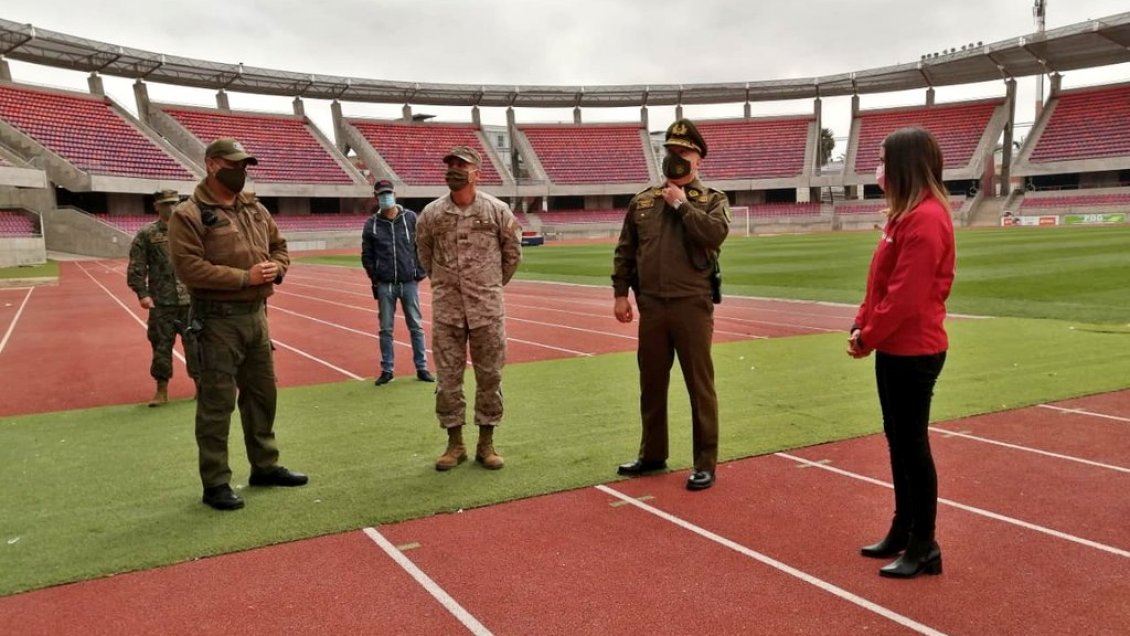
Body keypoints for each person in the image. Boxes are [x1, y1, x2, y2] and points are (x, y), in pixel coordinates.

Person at [167, 138, 307, 511]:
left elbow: (280, 246)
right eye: (235, 164)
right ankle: (215, 482)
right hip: (216, 321)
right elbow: (190, 268)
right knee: (216, 403)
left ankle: (265, 465)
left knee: (263, 396)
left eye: (246, 165)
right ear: (213, 165)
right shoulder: (190, 213)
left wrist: (277, 268)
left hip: (257, 317)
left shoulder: (254, 209)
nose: (242, 171)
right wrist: (244, 277)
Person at [848, 126, 955, 578]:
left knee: (912, 446)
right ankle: (903, 528)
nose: (878, 167)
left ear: (904, 164)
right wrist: (861, 321)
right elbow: (880, 285)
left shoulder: (926, 219)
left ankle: (924, 544)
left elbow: (906, 297)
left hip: (913, 350)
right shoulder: (902, 217)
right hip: (894, 347)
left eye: (883, 158)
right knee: (898, 442)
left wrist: (867, 335)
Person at [612, 119, 731, 491]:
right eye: (670, 151)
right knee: (651, 384)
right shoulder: (643, 201)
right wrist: (620, 293)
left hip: (692, 304)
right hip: (652, 306)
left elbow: (714, 235)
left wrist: (681, 206)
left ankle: (705, 462)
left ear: (698, 159)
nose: (675, 158)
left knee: (700, 386)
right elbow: (626, 251)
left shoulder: (711, 200)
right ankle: (652, 454)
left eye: (683, 152)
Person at [416, 146, 522, 472]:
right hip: (448, 310)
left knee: (489, 377)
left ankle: (486, 443)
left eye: (461, 165)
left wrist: (487, 285)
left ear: (478, 172)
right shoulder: (432, 214)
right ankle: (455, 444)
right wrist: (447, 285)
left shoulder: (497, 211)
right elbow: (424, 254)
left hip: (487, 310)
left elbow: (512, 254)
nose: (454, 170)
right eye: (450, 165)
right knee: (448, 379)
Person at [126, 189, 198, 407]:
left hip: (190, 302)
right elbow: (137, 266)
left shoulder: (190, 230)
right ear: (156, 206)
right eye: (166, 204)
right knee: (161, 347)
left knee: (196, 346)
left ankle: (201, 386)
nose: (171, 207)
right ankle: (161, 390)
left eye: (174, 203)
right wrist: (142, 293)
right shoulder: (147, 234)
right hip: (161, 302)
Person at [361, 179, 435, 386]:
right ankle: (387, 369)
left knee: (416, 327)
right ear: (376, 197)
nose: (386, 197)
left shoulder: (410, 218)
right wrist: (375, 277)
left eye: (388, 193)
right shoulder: (371, 224)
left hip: (409, 283)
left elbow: (422, 246)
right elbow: (367, 255)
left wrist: (418, 272)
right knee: (386, 329)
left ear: (394, 194)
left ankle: (422, 367)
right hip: (385, 285)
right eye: (381, 194)